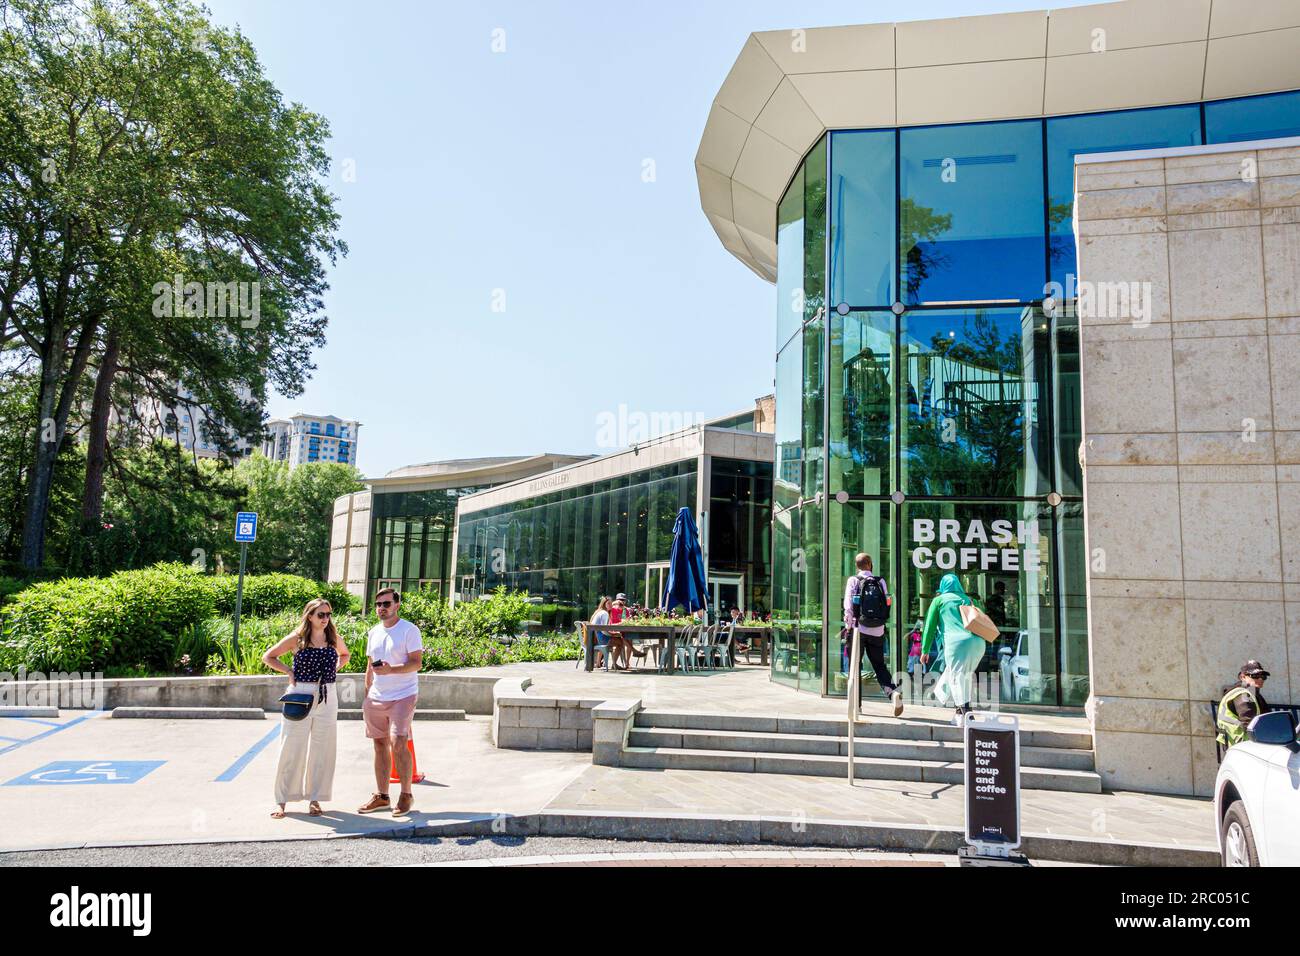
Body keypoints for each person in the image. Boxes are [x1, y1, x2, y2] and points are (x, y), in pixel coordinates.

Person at [262, 598, 349, 818]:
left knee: (323, 749)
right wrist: (289, 672)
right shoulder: (297, 638)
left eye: (328, 614)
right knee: (291, 747)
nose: (325, 619)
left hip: (327, 696)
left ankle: (315, 799)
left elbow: (345, 654)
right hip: (300, 693)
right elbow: (269, 657)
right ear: (309, 615)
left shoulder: (332, 638)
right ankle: (281, 801)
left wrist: (334, 670)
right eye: (321, 615)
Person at [358, 588, 423, 817]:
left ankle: (406, 794)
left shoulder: (409, 630)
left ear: (397, 604)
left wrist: (390, 670)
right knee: (379, 745)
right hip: (376, 697)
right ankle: (382, 796)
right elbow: (369, 667)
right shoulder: (374, 632)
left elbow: (416, 663)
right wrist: (367, 696)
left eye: (386, 603)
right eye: (378, 604)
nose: (381, 608)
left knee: (398, 742)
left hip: (403, 695)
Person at [843, 552, 902, 717]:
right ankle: (893, 693)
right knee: (879, 665)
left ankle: (857, 706)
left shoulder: (853, 580)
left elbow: (848, 605)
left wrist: (849, 626)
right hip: (877, 630)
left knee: (854, 667)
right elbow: (888, 602)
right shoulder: (880, 581)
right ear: (870, 564)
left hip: (857, 630)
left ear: (857, 566)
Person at [920, 573, 984, 725]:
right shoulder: (970, 600)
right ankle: (958, 712)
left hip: (956, 644)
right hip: (978, 642)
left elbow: (929, 627)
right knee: (964, 677)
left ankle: (966, 714)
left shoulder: (939, 600)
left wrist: (925, 650)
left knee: (956, 678)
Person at [1216, 660, 1272, 749]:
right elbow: (1250, 723)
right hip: (1240, 746)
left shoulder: (1254, 694)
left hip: (1241, 743)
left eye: (1263, 676)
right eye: (1255, 676)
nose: (1260, 679)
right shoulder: (1242, 694)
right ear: (1243, 677)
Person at [589, 596, 614, 671]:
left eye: (611, 603)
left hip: (594, 637)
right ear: (604, 604)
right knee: (621, 642)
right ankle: (615, 664)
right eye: (608, 603)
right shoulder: (604, 613)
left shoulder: (599, 611)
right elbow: (604, 630)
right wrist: (612, 634)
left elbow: (603, 628)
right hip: (599, 638)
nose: (611, 605)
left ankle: (598, 663)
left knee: (619, 638)